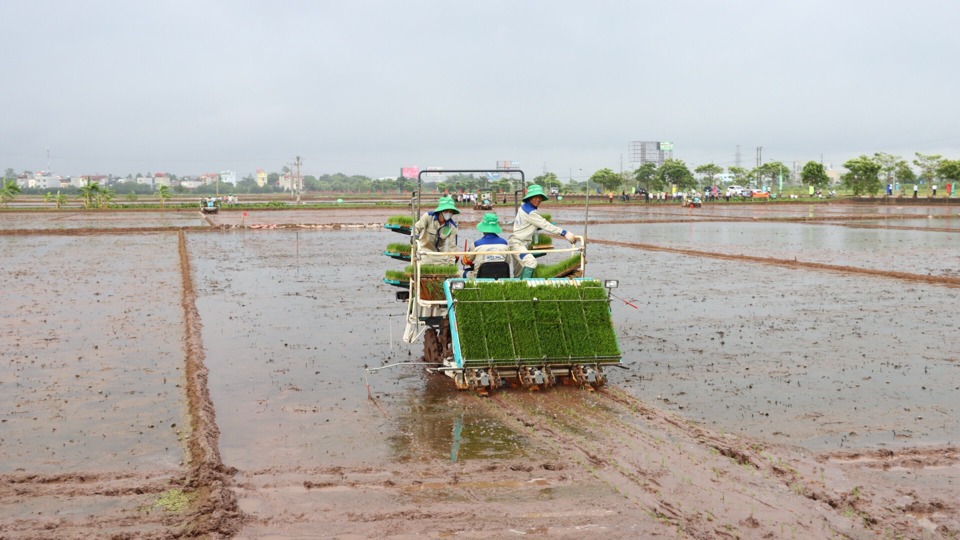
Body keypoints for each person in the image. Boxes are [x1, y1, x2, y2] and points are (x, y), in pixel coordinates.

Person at [508, 184, 577, 279]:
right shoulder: (530, 212)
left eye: (540, 197)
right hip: (517, 244)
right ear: (530, 197)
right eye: (535, 197)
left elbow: (534, 223)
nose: (538, 200)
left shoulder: (524, 206)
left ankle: (518, 289)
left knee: (518, 273)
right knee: (530, 262)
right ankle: (524, 288)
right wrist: (564, 233)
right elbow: (545, 224)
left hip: (519, 243)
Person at [413, 196, 459, 265]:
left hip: (439, 254)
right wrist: (414, 237)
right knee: (423, 263)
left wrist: (451, 263)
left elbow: (452, 247)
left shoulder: (452, 227)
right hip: (424, 251)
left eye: (451, 212)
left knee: (445, 268)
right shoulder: (428, 217)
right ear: (440, 211)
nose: (448, 214)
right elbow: (416, 227)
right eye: (446, 211)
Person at [462, 213, 508, 279]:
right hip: (500, 277)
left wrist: (463, 260)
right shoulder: (504, 244)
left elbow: (466, 262)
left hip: (480, 278)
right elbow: (507, 262)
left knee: (461, 273)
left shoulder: (476, 244)